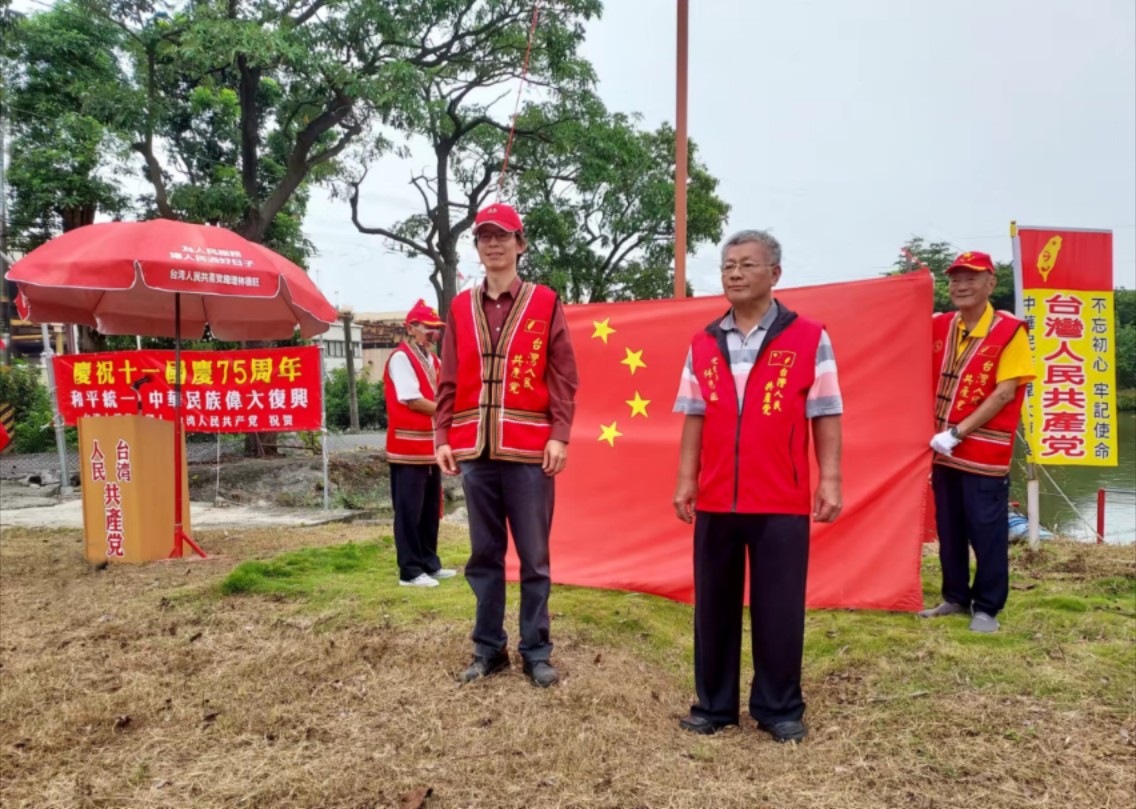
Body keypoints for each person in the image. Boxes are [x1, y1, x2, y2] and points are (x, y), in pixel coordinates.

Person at [672, 229, 843, 742]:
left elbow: (826, 411)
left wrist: (829, 478)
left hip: (781, 497)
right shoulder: (703, 341)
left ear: (775, 274)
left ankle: (779, 707)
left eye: (747, 264)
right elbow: (694, 415)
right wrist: (687, 480)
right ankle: (714, 706)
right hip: (718, 498)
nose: (735, 273)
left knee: (779, 607)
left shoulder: (810, 336)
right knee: (713, 606)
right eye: (727, 265)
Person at [434, 202, 578, 688]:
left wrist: (560, 433)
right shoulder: (459, 307)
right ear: (477, 247)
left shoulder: (545, 302)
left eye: (503, 236)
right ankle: (488, 647)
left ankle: (536, 650)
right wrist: (442, 435)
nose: (493, 244)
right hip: (476, 449)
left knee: (534, 556)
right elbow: (448, 376)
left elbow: (562, 375)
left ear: (521, 244)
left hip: (529, 450)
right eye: (484, 237)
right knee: (483, 554)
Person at [920, 251, 1035, 633]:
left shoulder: (1010, 330)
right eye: (955, 279)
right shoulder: (939, 327)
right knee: (948, 527)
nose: (961, 286)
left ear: (991, 282)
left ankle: (986, 607)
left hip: (982, 451)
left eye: (971, 278)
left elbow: (1004, 392)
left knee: (986, 531)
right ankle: (955, 597)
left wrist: (957, 432)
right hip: (940, 450)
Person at [383, 300, 456, 588]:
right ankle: (410, 571)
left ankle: (429, 562)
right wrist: (447, 412)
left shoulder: (432, 360)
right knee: (409, 509)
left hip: (430, 447)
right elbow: (412, 400)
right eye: (428, 328)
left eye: (436, 329)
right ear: (411, 329)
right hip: (406, 447)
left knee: (429, 509)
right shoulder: (401, 358)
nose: (433, 334)